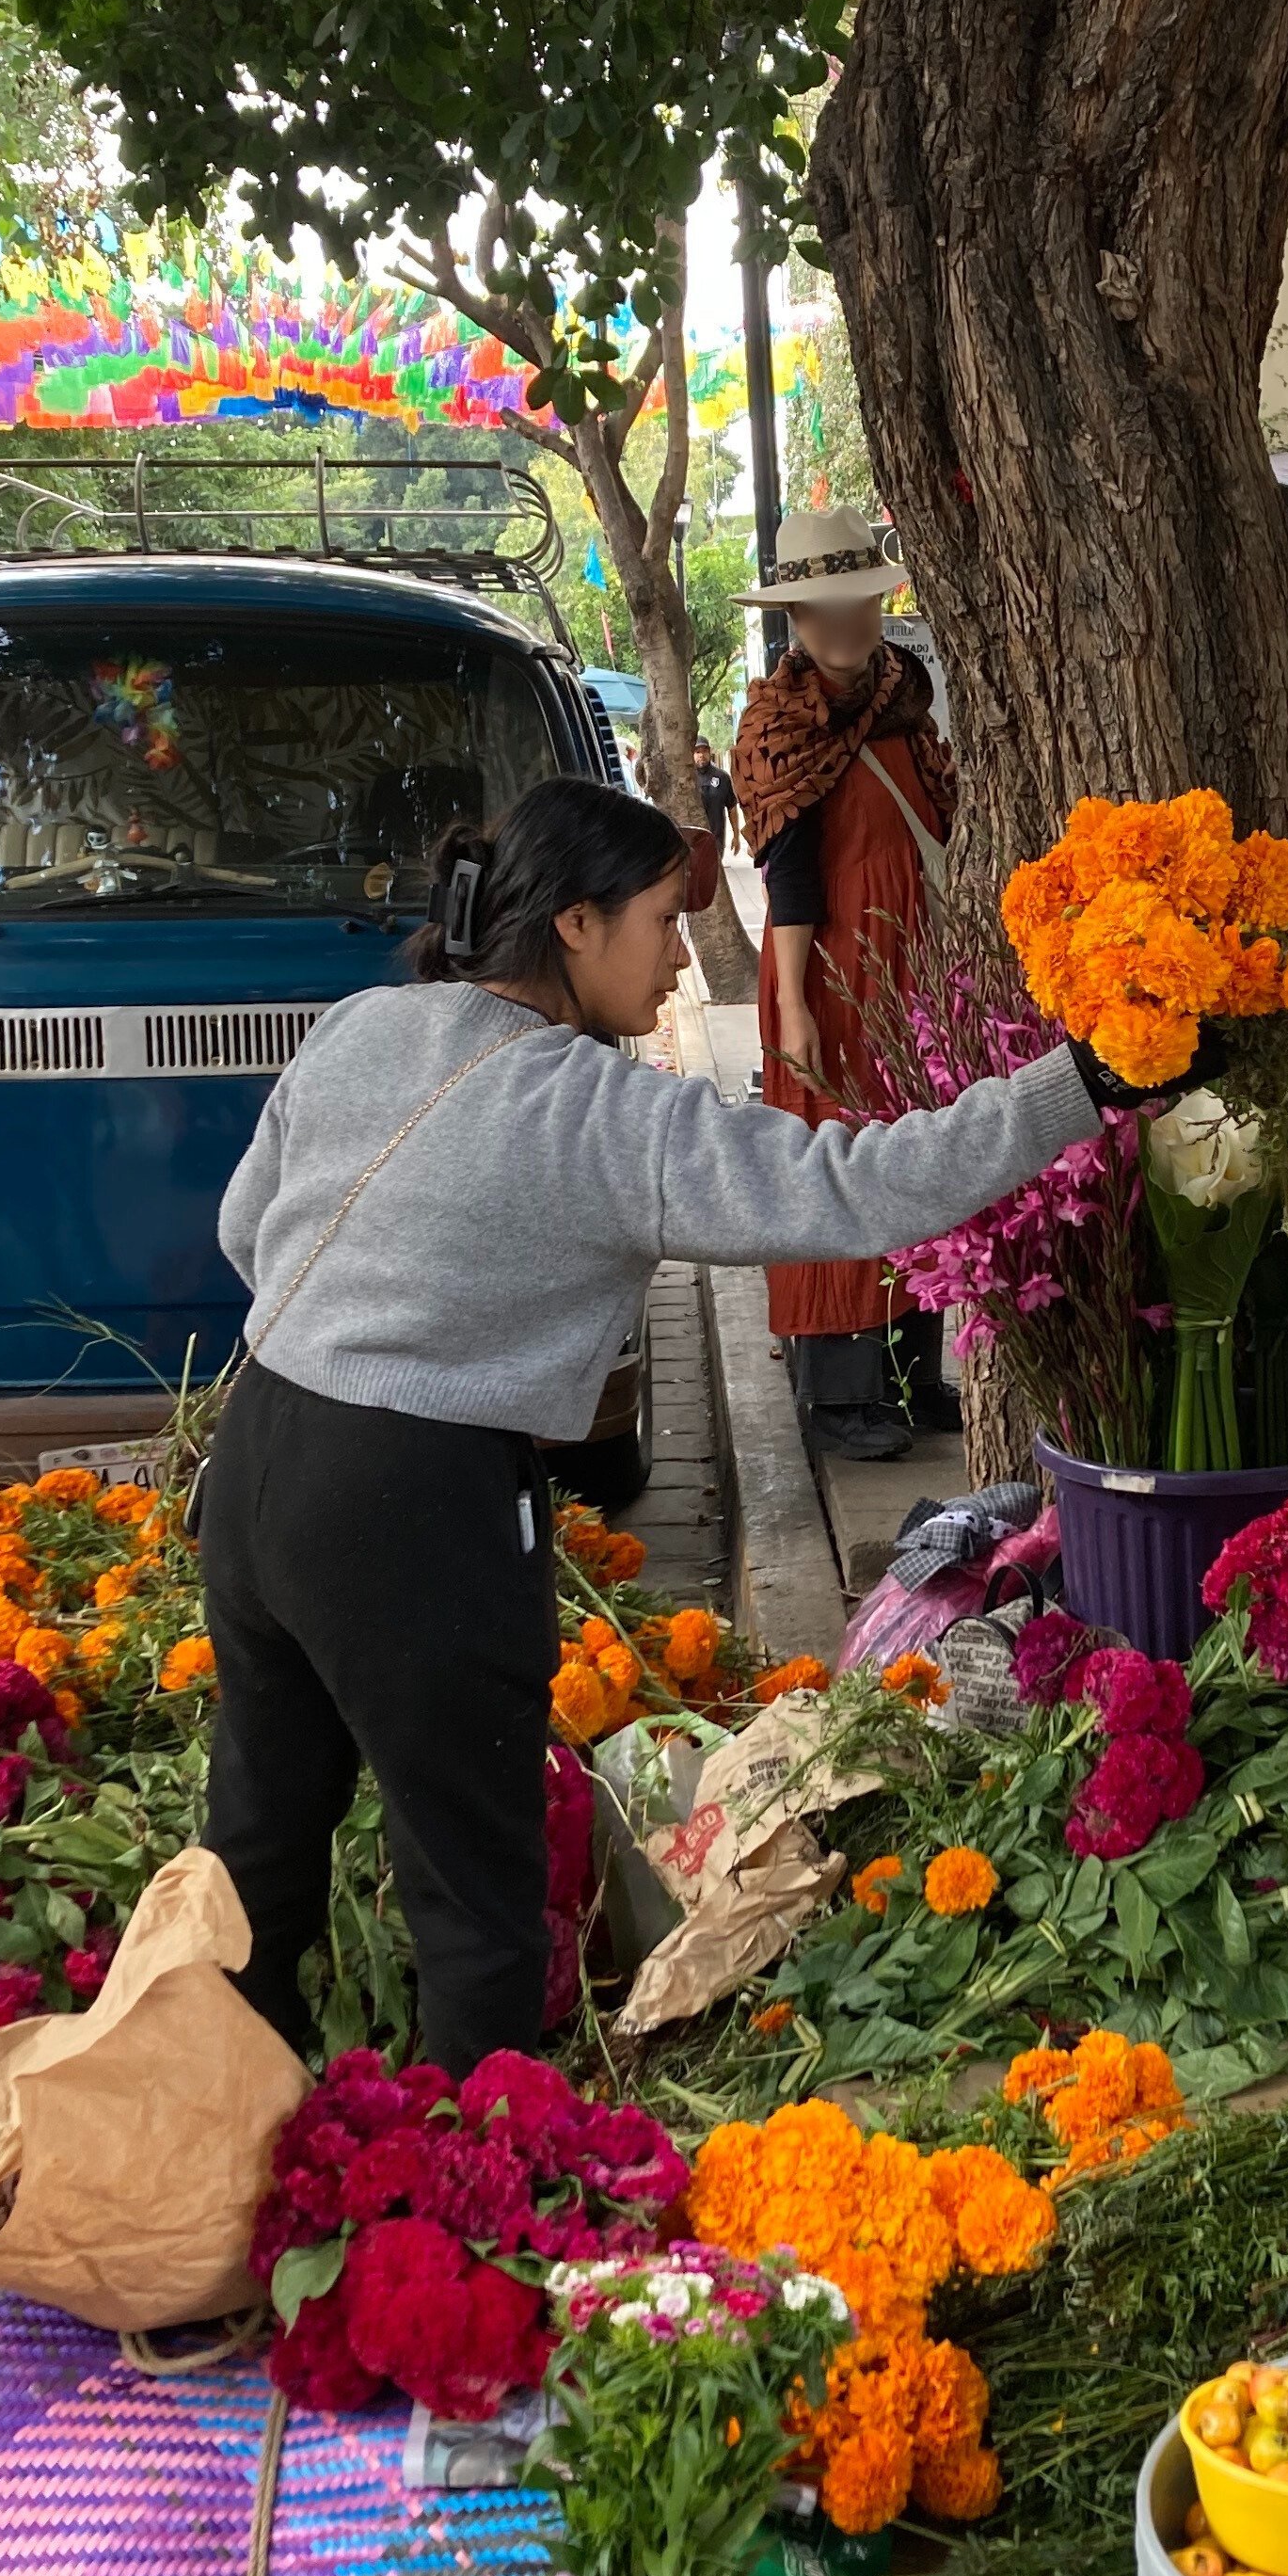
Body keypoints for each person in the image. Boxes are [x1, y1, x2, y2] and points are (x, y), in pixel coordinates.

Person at [202, 776, 1137, 2075]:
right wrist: (1085, 1081)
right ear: (574, 924)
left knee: (257, 1840)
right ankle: (474, 2160)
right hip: (412, 1499)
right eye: (661, 920)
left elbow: (243, 1231)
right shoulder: (603, 1112)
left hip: (256, 1454)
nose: (683, 961)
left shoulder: (363, 1026)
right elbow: (861, 1189)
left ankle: (220, 2126)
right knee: (474, 1887)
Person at [729, 507, 959, 1461]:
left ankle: (911, 1373)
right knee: (833, 1163)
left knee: (919, 1158)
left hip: (912, 968)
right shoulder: (779, 726)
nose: (846, 624)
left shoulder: (905, 697)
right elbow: (789, 882)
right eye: (824, 608)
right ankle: (839, 1395)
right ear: (795, 620)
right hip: (829, 974)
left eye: (859, 601)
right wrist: (792, 1008)